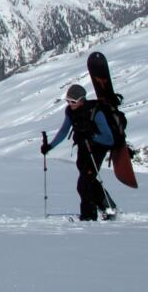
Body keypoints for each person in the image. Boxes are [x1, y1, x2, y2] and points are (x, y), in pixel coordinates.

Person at [42, 84, 118, 221]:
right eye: (68, 101)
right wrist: (50, 146)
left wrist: (92, 136)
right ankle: (108, 207)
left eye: (73, 101)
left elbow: (109, 139)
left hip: (96, 150)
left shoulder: (96, 112)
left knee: (83, 184)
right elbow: (64, 131)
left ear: (82, 100)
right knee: (89, 181)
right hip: (83, 149)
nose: (70, 104)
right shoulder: (71, 112)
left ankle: (89, 217)